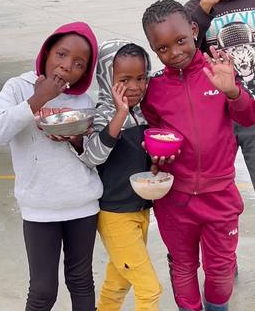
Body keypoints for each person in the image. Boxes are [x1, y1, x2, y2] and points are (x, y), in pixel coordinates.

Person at [141, 0, 255, 311]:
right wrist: (155, 154)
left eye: (180, 40)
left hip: (219, 195)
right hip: (175, 200)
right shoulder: (153, 90)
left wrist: (233, 91)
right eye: (163, 48)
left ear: (194, 30)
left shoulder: (218, 71)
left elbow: (251, 116)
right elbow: (153, 134)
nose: (175, 52)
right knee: (182, 266)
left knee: (220, 271)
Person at [0, 21, 103, 311]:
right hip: (40, 207)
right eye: (61, 55)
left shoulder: (83, 99)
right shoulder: (17, 87)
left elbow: (92, 153)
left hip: (82, 204)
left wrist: (76, 140)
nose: (66, 67)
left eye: (78, 64)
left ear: (85, 72)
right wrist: (38, 100)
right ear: (47, 51)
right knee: (42, 291)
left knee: (81, 282)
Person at [185, 0, 255, 240]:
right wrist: (205, 7)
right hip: (215, 119)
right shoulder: (190, 12)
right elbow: (185, 59)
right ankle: (221, 262)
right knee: (216, 200)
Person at [81, 40, 162, 311]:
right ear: (106, 78)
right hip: (115, 216)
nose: (135, 86)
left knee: (118, 283)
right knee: (149, 288)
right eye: (124, 79)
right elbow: (93, 157)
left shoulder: (144, 114)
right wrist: (120, 113)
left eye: (141, 77)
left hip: (140, 211)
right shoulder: (102, 116)